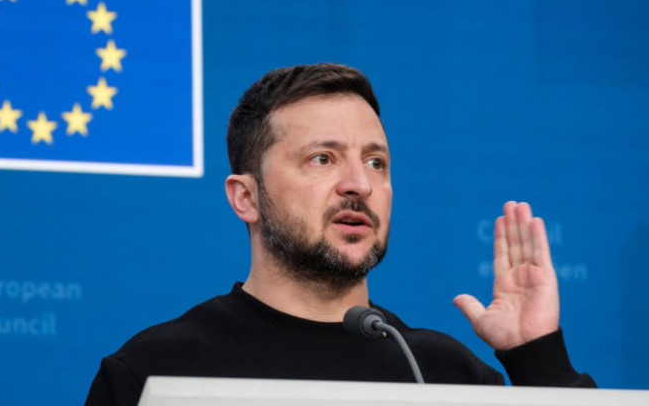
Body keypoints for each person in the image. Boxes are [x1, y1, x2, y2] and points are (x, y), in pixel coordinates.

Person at [84, 63, 595, 405]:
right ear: (246, 198)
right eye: (323, 159)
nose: (359, 185)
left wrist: (538, 357)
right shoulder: (156, 373)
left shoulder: (444, 376)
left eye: (376, 162)